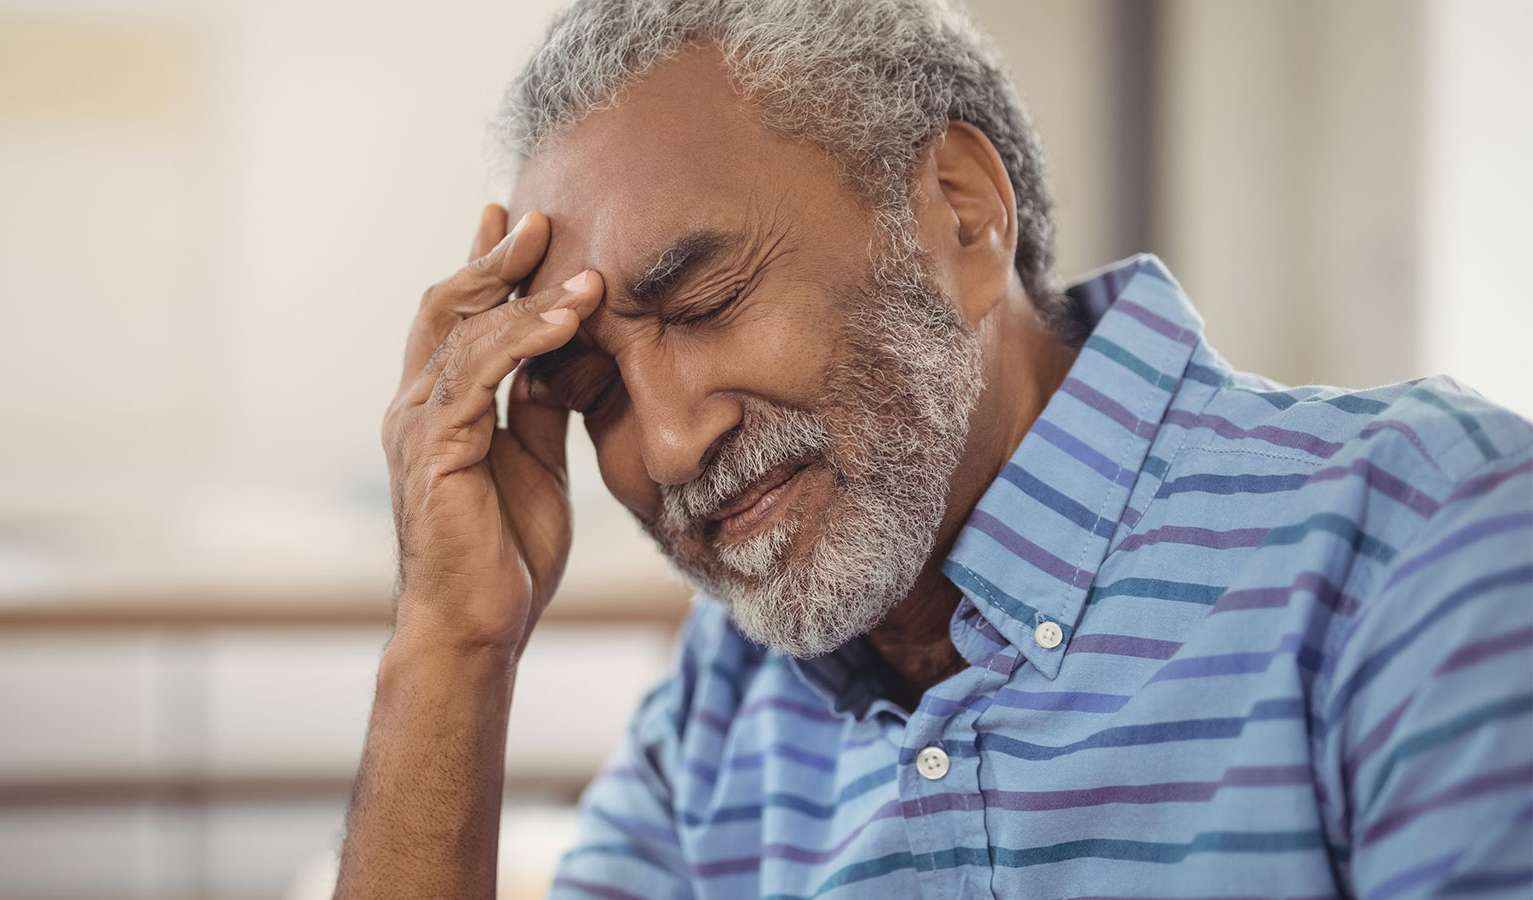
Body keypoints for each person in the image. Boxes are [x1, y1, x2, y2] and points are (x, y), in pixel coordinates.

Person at [337, 1, 1533, 897]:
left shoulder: (1426, 542)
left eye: (706, 303)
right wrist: (452, 647)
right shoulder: (725, 708)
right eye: (592, 387)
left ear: (961, 213)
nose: (664, 443)